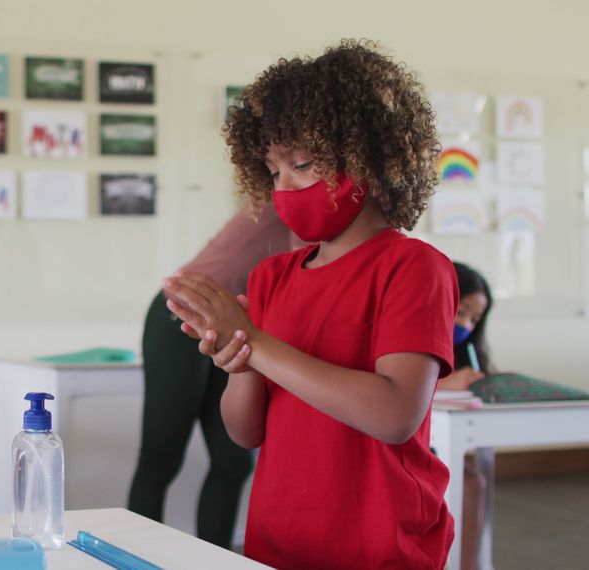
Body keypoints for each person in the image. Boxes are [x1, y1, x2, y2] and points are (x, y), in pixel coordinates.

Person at [163, 40, 457, 567]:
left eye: (303, 164)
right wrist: (238, 359)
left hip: (380, 544)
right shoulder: (272, 277)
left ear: (371, 156)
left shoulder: (413, 267)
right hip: (279, 539)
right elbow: (246, 432)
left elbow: (394, 414)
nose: (285, 187)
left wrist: (253, 340)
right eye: (273, 172)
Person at [127, 204, 294, 549]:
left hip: (234, 327)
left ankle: (214, 560)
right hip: (180, 316)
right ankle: (133, 559)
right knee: (161, 457)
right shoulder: (287, 196)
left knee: (233, 462)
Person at [437, 261, 494, 570]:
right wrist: (443, 384)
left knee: (474, 484)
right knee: (471, 484)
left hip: (434, 447)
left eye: (475, 319)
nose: (467, 326)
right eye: (461, 313)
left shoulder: (463, 354)